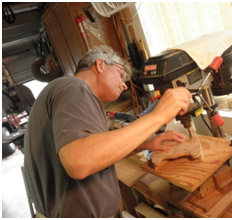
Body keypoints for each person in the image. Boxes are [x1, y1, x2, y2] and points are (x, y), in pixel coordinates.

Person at [23, 45, 191, 218]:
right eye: (120, 75)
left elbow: (95, 153)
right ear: (100, 65)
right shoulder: (73, 86)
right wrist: (159, 116)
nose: (125, 86)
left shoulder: (74, 95)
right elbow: (79, 162)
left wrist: (143, 144)